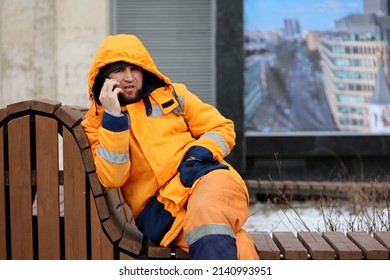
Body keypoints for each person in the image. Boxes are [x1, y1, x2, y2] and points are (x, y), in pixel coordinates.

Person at [82, 34, 258, 260]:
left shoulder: (173, 94)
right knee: (235, 245)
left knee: (206, 213)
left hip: (206, 179)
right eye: (119, 70)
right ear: (103, 79)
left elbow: (221, 127)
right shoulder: (96, 124)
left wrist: (196, 156)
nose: (129, 78)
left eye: (134, 69)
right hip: (166, 214)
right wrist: (113, 117)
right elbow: (113, 177)